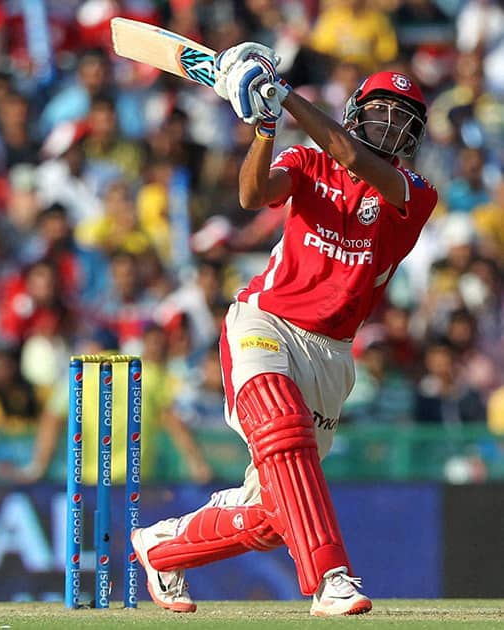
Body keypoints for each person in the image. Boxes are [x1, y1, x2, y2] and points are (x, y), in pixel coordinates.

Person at [130, 42, 437, 617]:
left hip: (331, 354)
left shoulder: (414, 194)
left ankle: (163, 546)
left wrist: (282, 94)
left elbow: (354, 159)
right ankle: (330, 577)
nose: (390, 127)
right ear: (354, 110)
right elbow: (252, 195)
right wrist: (265, 125)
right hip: (265, 320)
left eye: (404, 122)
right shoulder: (306, 162)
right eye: (380, 112)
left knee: (275, 513)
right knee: (284, 427)